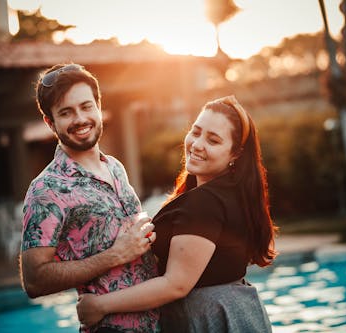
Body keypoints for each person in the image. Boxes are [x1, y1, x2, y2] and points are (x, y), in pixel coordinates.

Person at [77, 95, 277, 332]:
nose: (197, 144)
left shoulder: (205, 202)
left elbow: (176, 285)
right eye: (196, 131)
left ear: (235, 154)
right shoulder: (229, 195)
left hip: (208, 320)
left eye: (213, 140)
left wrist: (100, 305)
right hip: (236, 313)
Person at [19, 63, 160, 333]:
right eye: (66, 112)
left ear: (98, 106)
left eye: (86, 107)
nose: (80, 119)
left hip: (159, 322)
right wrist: (113, 256)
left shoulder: (116, 167)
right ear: (51, 123)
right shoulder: (47, 189)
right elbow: (34, 280)